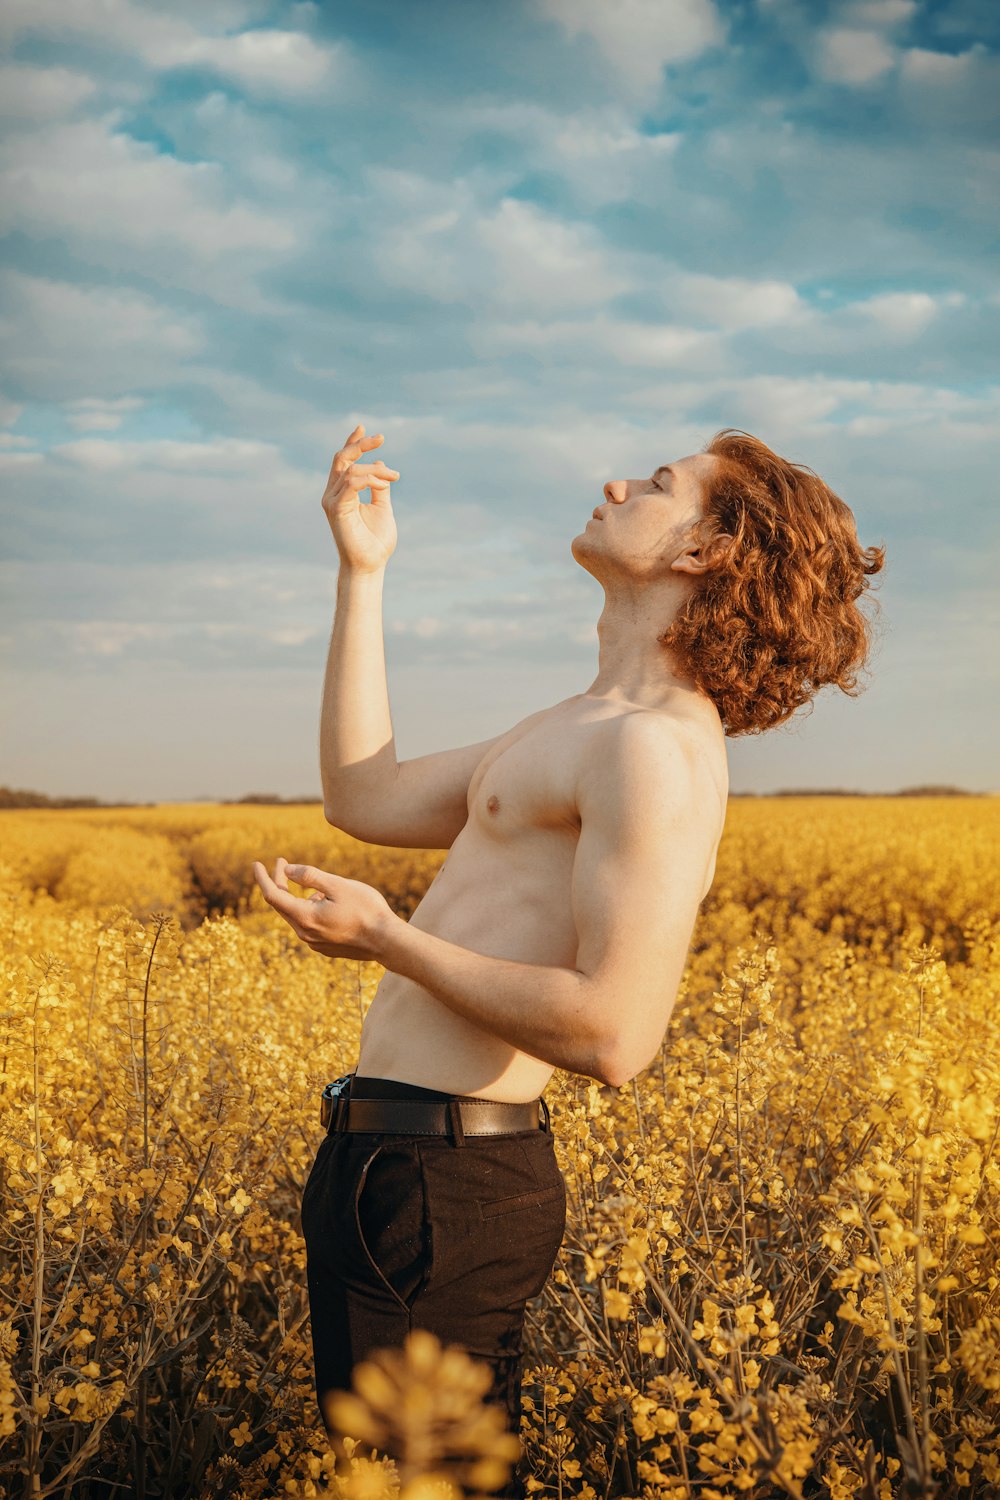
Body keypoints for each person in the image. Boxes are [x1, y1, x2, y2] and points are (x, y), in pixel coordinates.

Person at [252, 421, 885, 1496]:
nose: (615, 483)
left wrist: (387, 941)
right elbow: (362, 796)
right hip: (389, 1164)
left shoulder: (651, 750)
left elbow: (613, 1033)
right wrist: (363, 576)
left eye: (656, 483)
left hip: (449, 1182)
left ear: (701, 550)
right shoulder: (581, 721)